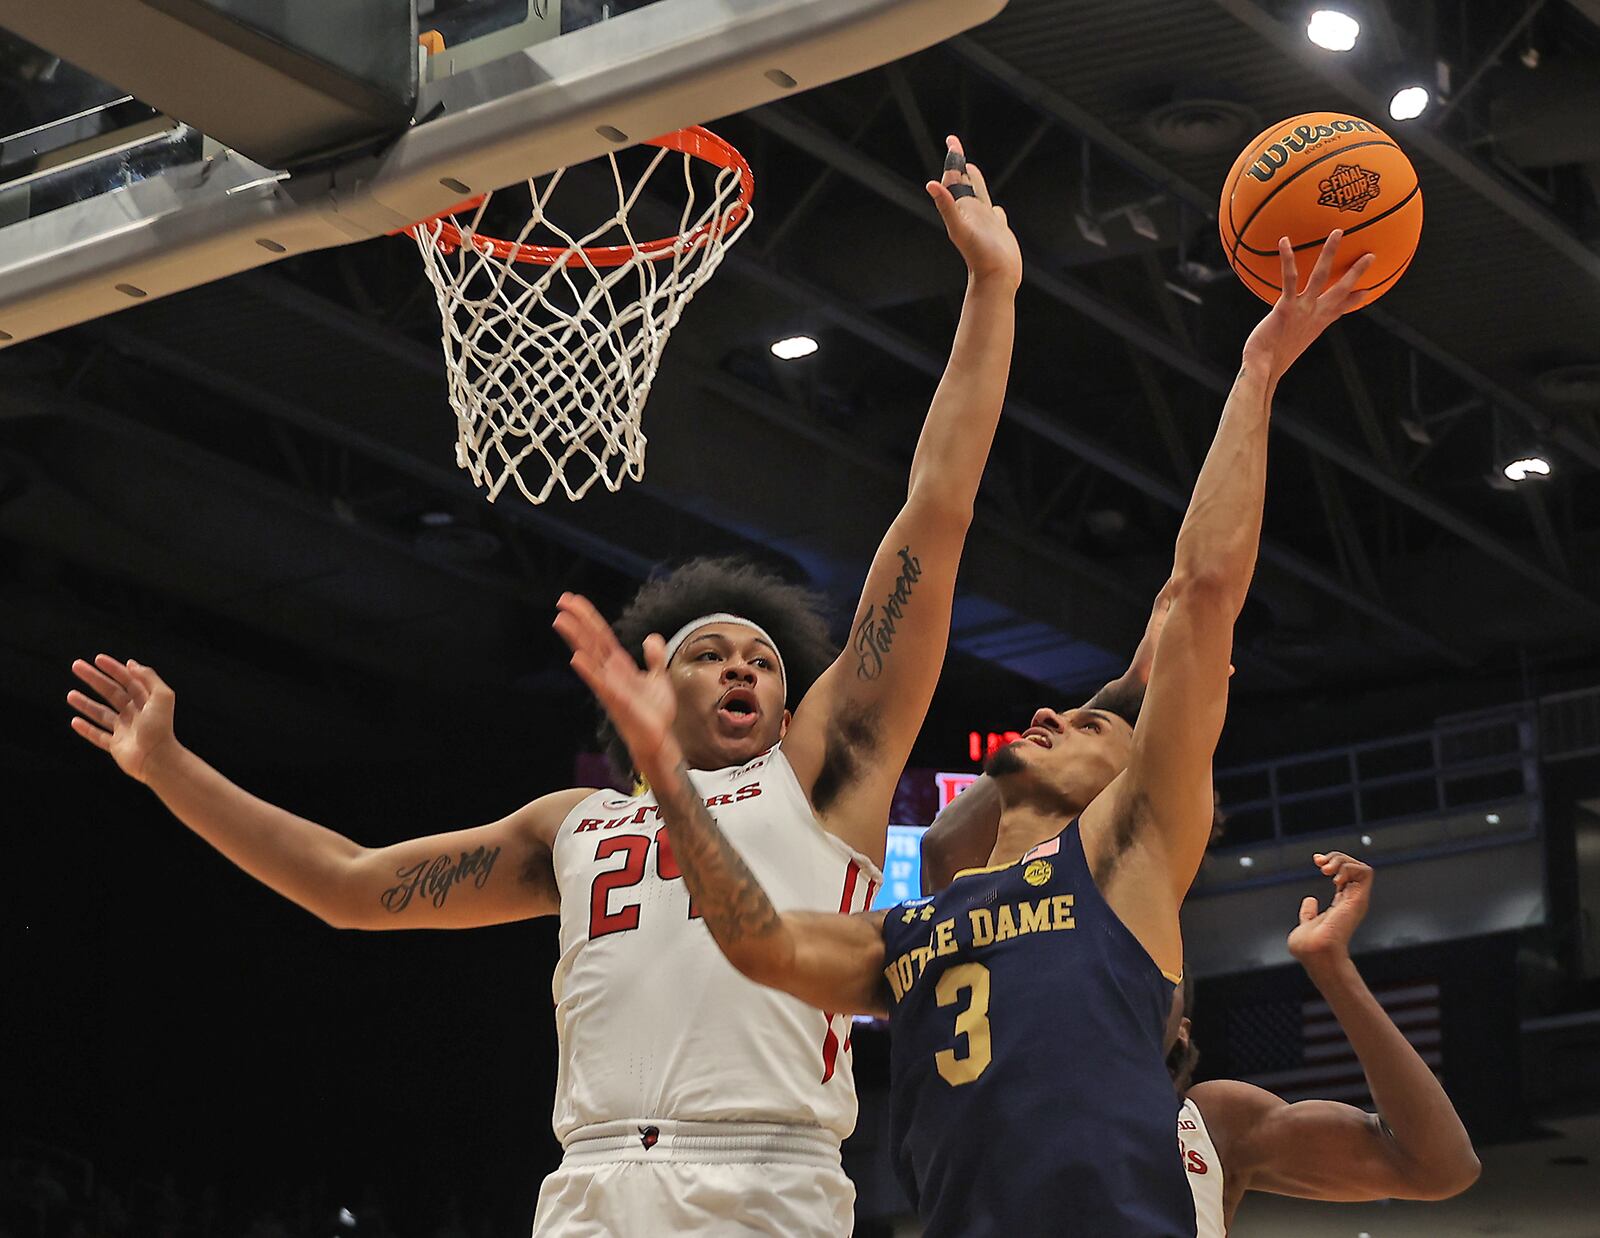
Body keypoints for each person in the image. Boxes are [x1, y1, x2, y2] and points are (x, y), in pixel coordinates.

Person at [65, 136, 1022, 1236]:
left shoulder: (824, 772)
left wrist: (990, 287)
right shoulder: (573, 825)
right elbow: (347, 881)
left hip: (761, 1175)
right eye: (714, 649)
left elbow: (935, 516)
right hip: (588, 1184)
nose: (746, 663)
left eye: (763, 656)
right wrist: (169, 767)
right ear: (650, 677)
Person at [554, 233, 1376, 1237]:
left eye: (1084, 723)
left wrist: (1256, 368)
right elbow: (758, 942)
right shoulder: (920, 916)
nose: (1049, 714)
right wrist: (665, 776)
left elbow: (1200, 588)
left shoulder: (1128, 854)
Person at [1171, 852, 1479, 1235]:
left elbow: (1439, 1169)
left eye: (1162, 974)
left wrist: (1331, 967)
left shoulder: (1214, 1120)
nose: (1132, 982)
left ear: (1181, 1030)